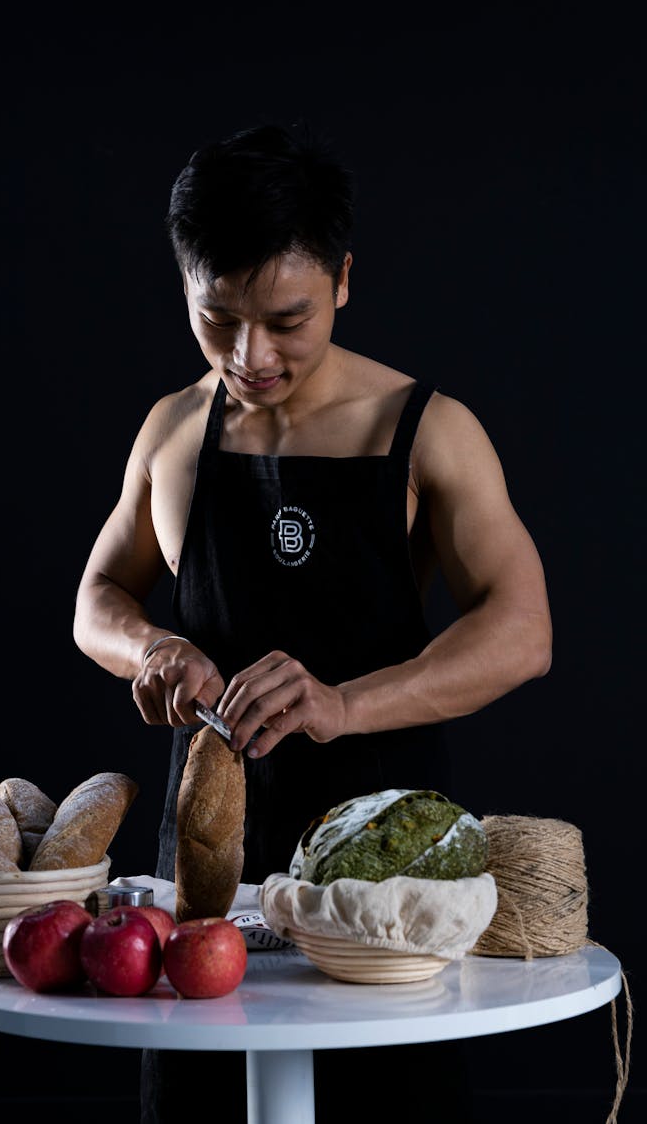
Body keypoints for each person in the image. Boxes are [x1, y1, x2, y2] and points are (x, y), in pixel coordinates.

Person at [73, 121, 552, 1123]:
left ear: (342, 279)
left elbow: (521, 630)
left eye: (285, 319)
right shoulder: (170, 428)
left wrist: (343, 702)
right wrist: (151, 645)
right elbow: (97, 600)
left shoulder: (429, 429)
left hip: (391, 895)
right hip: (205, 891)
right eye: (218, 319)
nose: (250, 355)